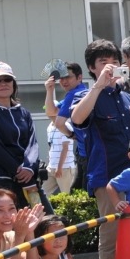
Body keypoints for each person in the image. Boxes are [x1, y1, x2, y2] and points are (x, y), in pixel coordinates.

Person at [71, 39, 130, 259]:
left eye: (113, 61)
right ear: (91, 68)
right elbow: (76, 119)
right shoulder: (87, 96)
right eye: (103, 62)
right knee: (112, 234)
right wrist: (99, 86)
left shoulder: (127, 98)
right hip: (107, 177)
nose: (109, 66)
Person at [0, 61, 51, 213]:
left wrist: (29, 168)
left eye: (7, 79)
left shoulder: (23, 112)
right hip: (1, 181)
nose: (3, 84)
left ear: (13, 83)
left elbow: (32, 144)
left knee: (43, 222)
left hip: (29, 179)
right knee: (8, 227)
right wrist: (18, 170)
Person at [53, 62, 89, 192]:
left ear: (79, 77)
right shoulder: (83, 91)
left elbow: (58, 123)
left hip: (86, 151)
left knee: (85, 192)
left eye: (68, 77)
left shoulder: (73, 95)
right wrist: (49, 89)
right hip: (87, 148)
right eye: (61, 78)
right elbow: (52, 111)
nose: (64, 81)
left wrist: (70, 134)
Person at [42, 120, 74, 196]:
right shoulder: (49, 126)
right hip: (51, 167)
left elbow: (65, 148)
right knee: (43, 193)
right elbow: (50, 146)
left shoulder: (65, 126)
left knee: (65, 196)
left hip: (64, 168)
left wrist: (59, 167)